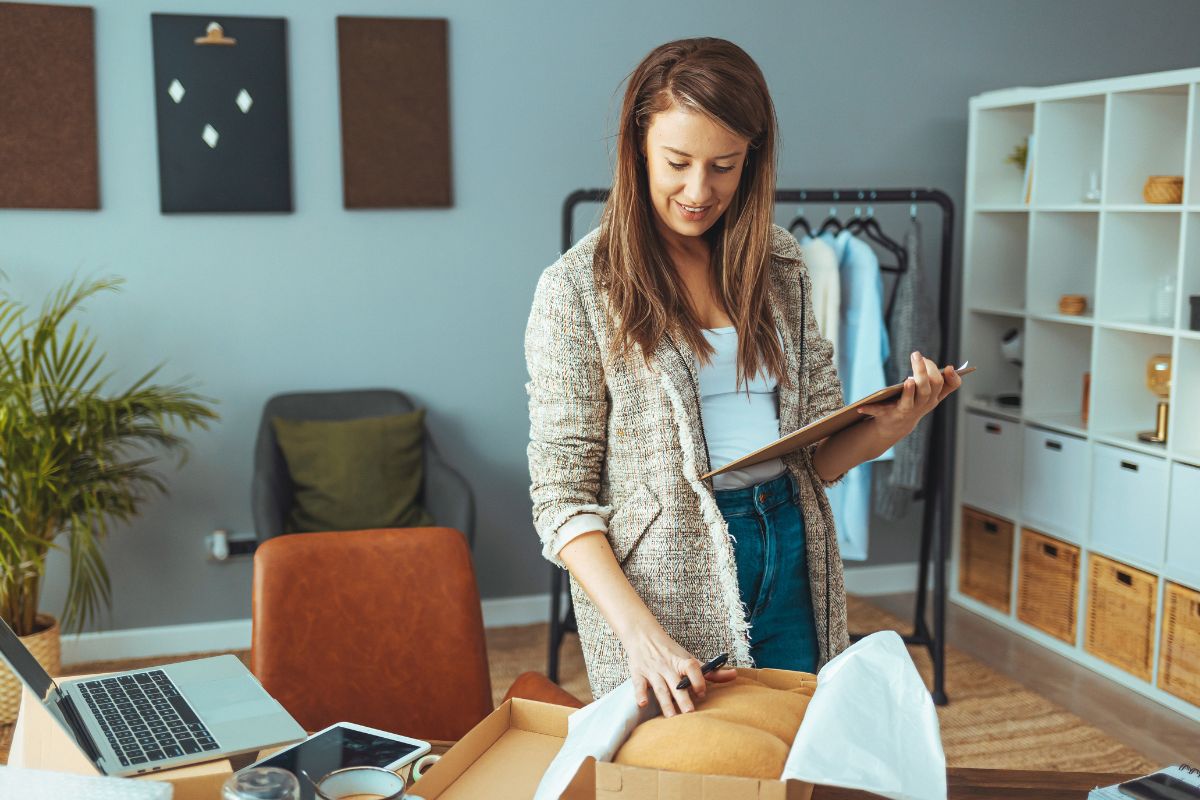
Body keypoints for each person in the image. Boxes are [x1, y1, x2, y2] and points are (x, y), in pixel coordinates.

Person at [524, 37, 960, 718]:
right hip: (662, 576)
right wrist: (638, 634)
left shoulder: (780, 265)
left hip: (792, 543)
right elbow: (560, 499)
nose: (699, 191)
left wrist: (892, 428)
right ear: (637, 147)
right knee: (688, 771)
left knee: (793, 748)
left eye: (724, 166)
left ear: (752, 158)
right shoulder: (578, 288)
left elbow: (818, 459)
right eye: (678, 163)